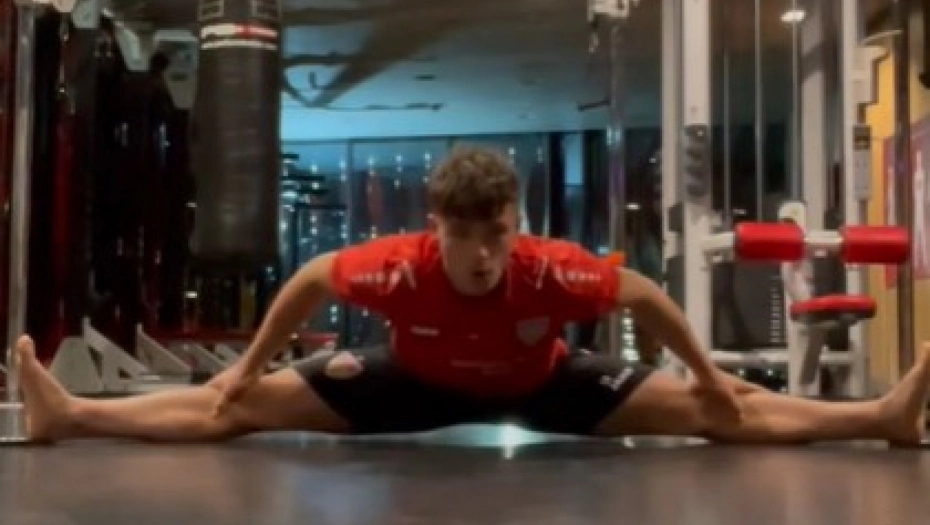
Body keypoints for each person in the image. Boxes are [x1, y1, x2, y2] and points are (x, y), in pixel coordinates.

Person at [14, 146, 930, 446]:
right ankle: (70, 414)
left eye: (500, 231)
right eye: (469, 237)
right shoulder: (397, 266)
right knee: (231, 407)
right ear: (438, 229)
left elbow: (646, 295)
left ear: (514, 223)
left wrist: (704, 369)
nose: (487, 254)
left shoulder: (551, 268)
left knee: (718, 410)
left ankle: (880, 416)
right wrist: (250, 364)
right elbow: (310, 278)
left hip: (545, 383)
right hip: (409, 382)